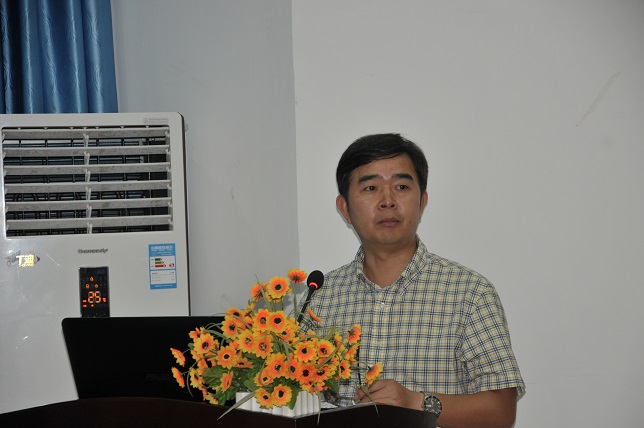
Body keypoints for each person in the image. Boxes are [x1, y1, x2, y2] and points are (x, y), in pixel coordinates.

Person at [303, 133, 525, 428]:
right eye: (370, 188)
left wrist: (416, 403)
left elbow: (501, 411)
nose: (387, 201)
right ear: (345, 208)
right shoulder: (320, 297)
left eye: (401, 187)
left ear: (422, 201)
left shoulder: (470, 293)